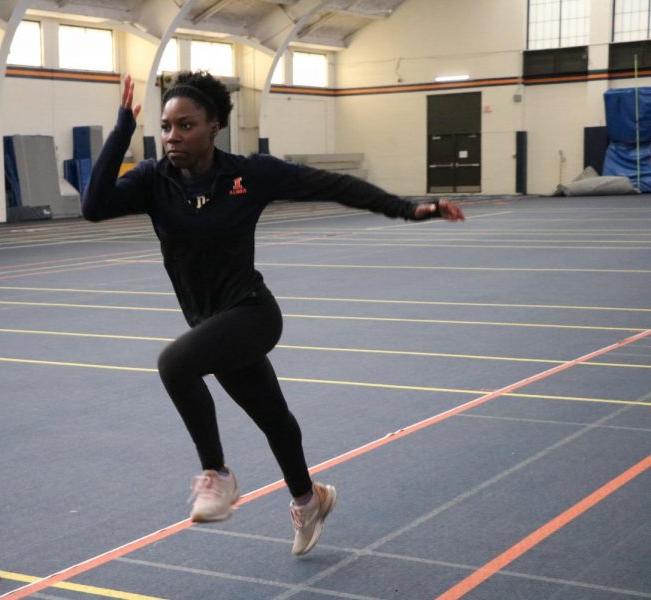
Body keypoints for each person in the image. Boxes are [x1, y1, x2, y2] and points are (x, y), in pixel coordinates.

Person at [81, 71, 465, 556]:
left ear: (214, 126)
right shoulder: (154, 181)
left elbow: (335, 185)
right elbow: (94, 207)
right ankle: (310, 500)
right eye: (165, 127)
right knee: (274, 420)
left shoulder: (249, 175)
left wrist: (411, 209)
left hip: (253, 314)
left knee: (174, 364)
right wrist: (121, 129)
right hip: (212, 325)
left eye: (186, 126)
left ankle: (217, 476)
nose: (173, 137)